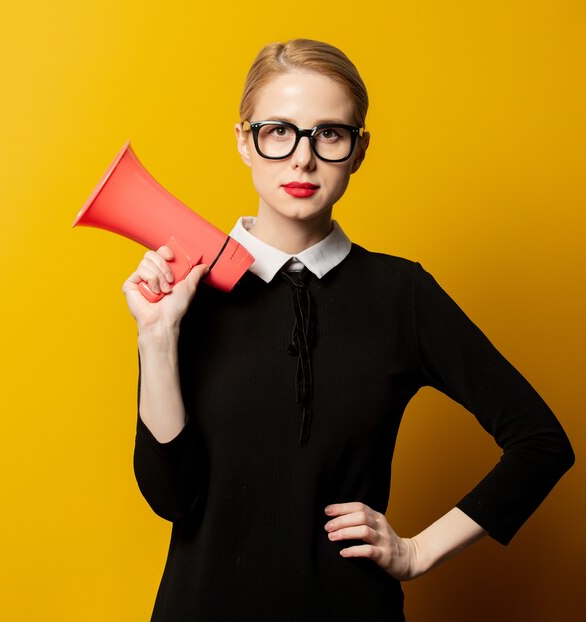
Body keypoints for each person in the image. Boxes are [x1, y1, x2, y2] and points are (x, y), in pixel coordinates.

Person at [122, 39, 574, 621]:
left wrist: (417, 552)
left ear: (358, 150)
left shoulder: (400, 295)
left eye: (329, 135)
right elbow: (170, 497)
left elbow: (540, 444)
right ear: (243, 140)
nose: (302, 159)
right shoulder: (186, 288)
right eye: (278, 131)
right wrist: (156, 340)